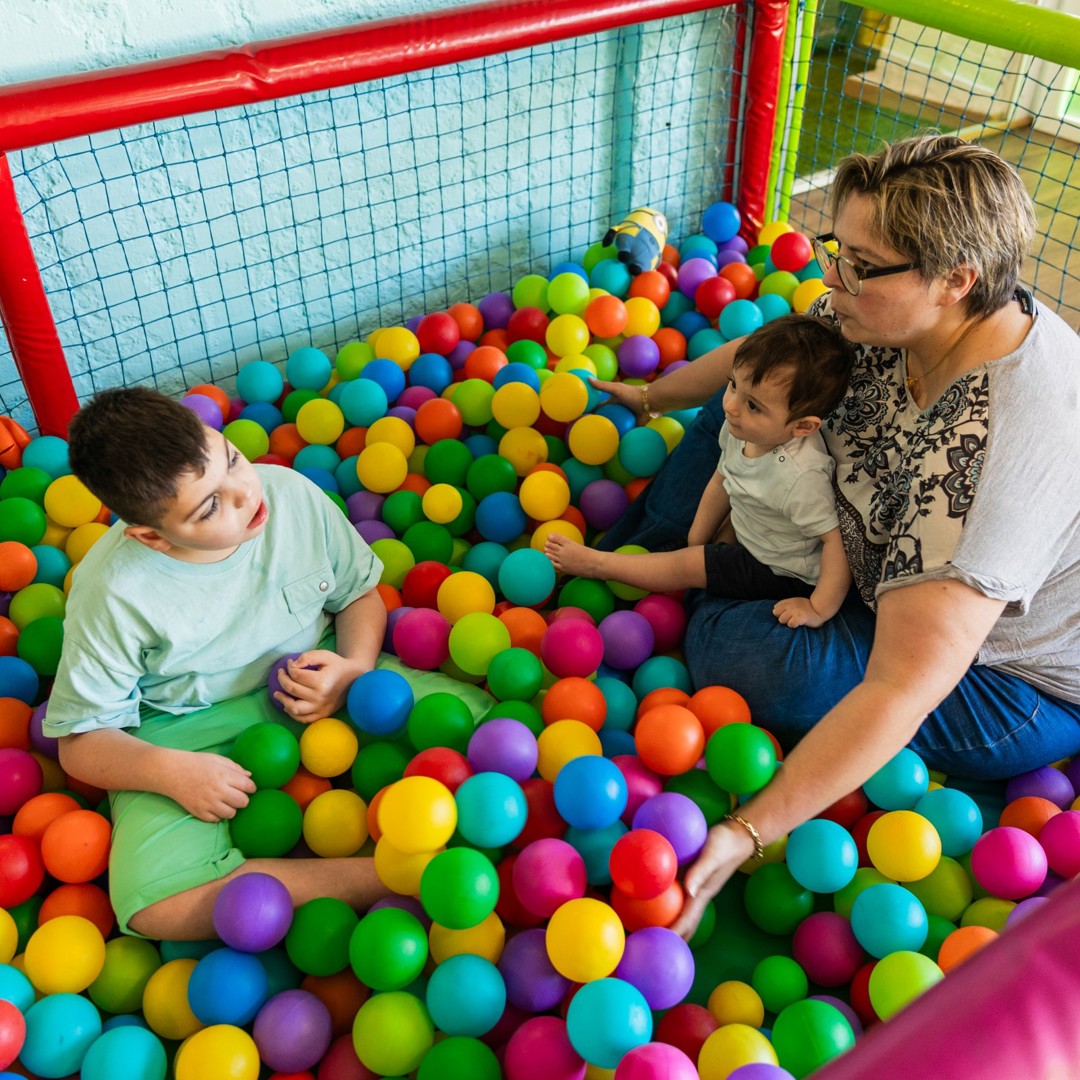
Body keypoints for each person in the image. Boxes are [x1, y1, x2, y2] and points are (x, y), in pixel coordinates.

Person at [590, 134, 1080, 938]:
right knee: (759, 399)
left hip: (1007, 680)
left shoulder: (1000, 454)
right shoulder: (880, 316)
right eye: (835, 248)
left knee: (758, 659)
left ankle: (703, 592)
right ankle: (661, 561)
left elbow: (901, 684)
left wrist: (744, 830)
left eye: (860, 263)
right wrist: (653, 396)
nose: (832, 277)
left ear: (956, 280)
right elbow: (762, 354)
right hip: (853, 547)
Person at [42, 387, 490, 941]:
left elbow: (357, 596)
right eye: (208, 507)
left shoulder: (290, 495)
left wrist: (352, 666)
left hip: (321, 678)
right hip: (191, 731)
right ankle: (389, 877)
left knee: (489, 725)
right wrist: (172, 772)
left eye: (231, 458)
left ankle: (451, 844)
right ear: (152, 537)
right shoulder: (111, 591)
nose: (243, 492)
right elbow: (81, 740)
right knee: (154, 904)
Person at [545, 315, 855, 629]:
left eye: (754, 406)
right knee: (694, 550)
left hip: (781, 570)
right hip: (755, 530)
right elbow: (723, 477)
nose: (732, 406)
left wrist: (818, 607)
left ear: (802, 426)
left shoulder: (800, 479)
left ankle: (596, 564)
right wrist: (698, 537)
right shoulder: (743, 429)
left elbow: (835, 543)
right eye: (734, 385)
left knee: (688, 565)